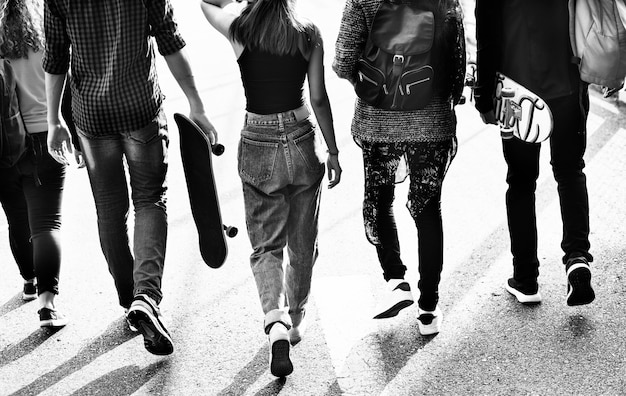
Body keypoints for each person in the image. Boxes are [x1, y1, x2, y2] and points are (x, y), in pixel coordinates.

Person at [42, 0, 217, 355]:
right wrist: (196, 104)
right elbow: (170, 40)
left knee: (109, 209)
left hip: (91, 116)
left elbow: (56, 56)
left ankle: (128, 297)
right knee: (150, 199)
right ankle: (145, 297)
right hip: (140, 109)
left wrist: (53, 121)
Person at [200, 0, 342, 377]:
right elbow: (318, 97)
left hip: (258, 141)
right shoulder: (307, 31)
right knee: (302, 243)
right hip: (301, 139)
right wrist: (333, 149)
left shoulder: (240, 28)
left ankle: (274, 321)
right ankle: (295, 320)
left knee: (266, 246)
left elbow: (206, 3)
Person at [334, 0, 465, 335]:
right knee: (428, 210)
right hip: (432, 121)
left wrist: (377, 88)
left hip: (379, 123)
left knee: (380, 201)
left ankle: (395, 280)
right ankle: (428, 309)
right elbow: (458, 64)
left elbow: (344, 61)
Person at [474, 1, 595, 306]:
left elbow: (487, 36)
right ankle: (577, 258)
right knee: (570, 171)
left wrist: (483, 96)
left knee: (521, 182)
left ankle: (526, 279)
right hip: (567, 81)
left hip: (517, 93)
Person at [0, 0, 68, 328]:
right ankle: (47, 304)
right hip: (44, 136)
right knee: (46, 224)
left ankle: (29, 281)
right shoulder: (43, 31)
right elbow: (65, 81)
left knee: (16, 219)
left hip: (2, 143)